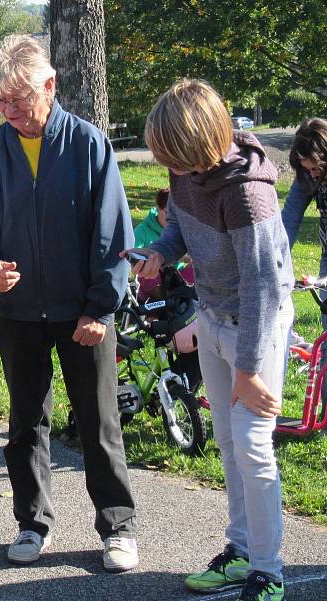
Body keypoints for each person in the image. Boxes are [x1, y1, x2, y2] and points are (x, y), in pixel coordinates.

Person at [0, 35, 139, 572]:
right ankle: (32, 524)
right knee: (26, 425)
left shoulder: (88, 145)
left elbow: (112, 236)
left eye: (19, 98)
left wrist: (101, 310)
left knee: (99, 424)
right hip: (21, 317)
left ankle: (118, 528)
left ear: (49, 86)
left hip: (84, 317)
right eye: (1, 102)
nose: (10, 112)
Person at [125, 79, 293, 601]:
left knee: (252, 446)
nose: (165, 164)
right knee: (227, 442)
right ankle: (240, 552)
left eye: (171, 153)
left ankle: (268, 571)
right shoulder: (185, 172)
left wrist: (249, 369)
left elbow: (263, 288)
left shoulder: (247, 195)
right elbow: (183, 230)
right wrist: (161, 252)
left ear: (197, 141)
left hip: (254, 328)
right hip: (215, 314)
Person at [281, 118, 327, 328]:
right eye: (306, 168)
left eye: (316, 168)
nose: (311, 174)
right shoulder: (306, 174)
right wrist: (275, 259)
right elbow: (289, 218)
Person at [133, 188, 194, 301]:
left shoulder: (182, 229)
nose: (172, 218)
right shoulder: (143, 231)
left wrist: (189, 258)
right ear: (158, 208)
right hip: (155, 281)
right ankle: (158, 307)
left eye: (177, 214)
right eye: (167, 212)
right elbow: (134, 258)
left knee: (200, 266)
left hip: (179, 278)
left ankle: (188, 303)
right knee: (150, 276)